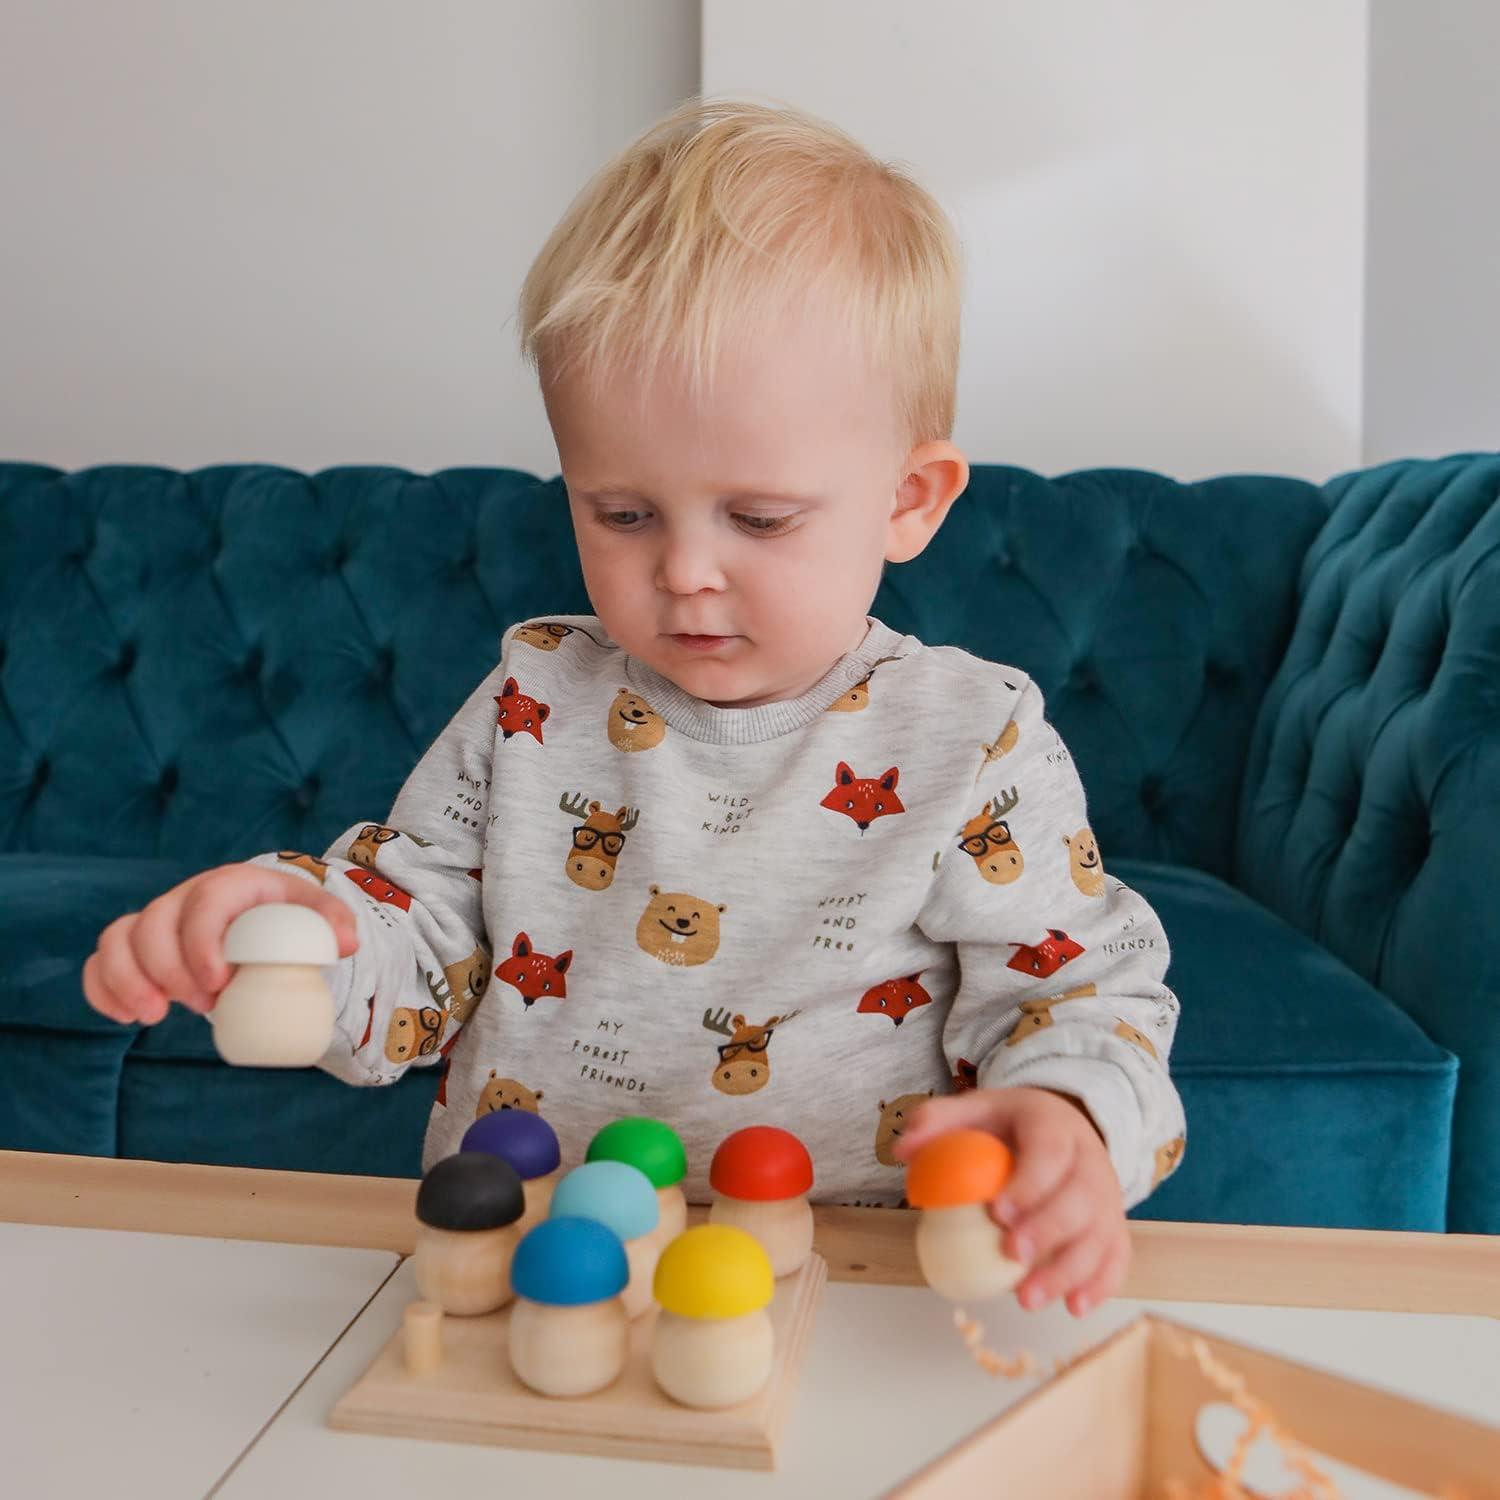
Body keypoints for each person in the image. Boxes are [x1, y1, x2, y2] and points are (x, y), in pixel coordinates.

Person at [83, 95, 1186, 1320]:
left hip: (843, 1284)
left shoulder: (970, 734)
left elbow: (1078, 991)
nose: (685, 571)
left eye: (760, 518)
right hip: (533, 1262)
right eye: (622, 513)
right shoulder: (535, 698)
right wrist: (296, 927)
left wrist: (1071, 1115)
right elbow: (417, 946)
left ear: (910, 500)